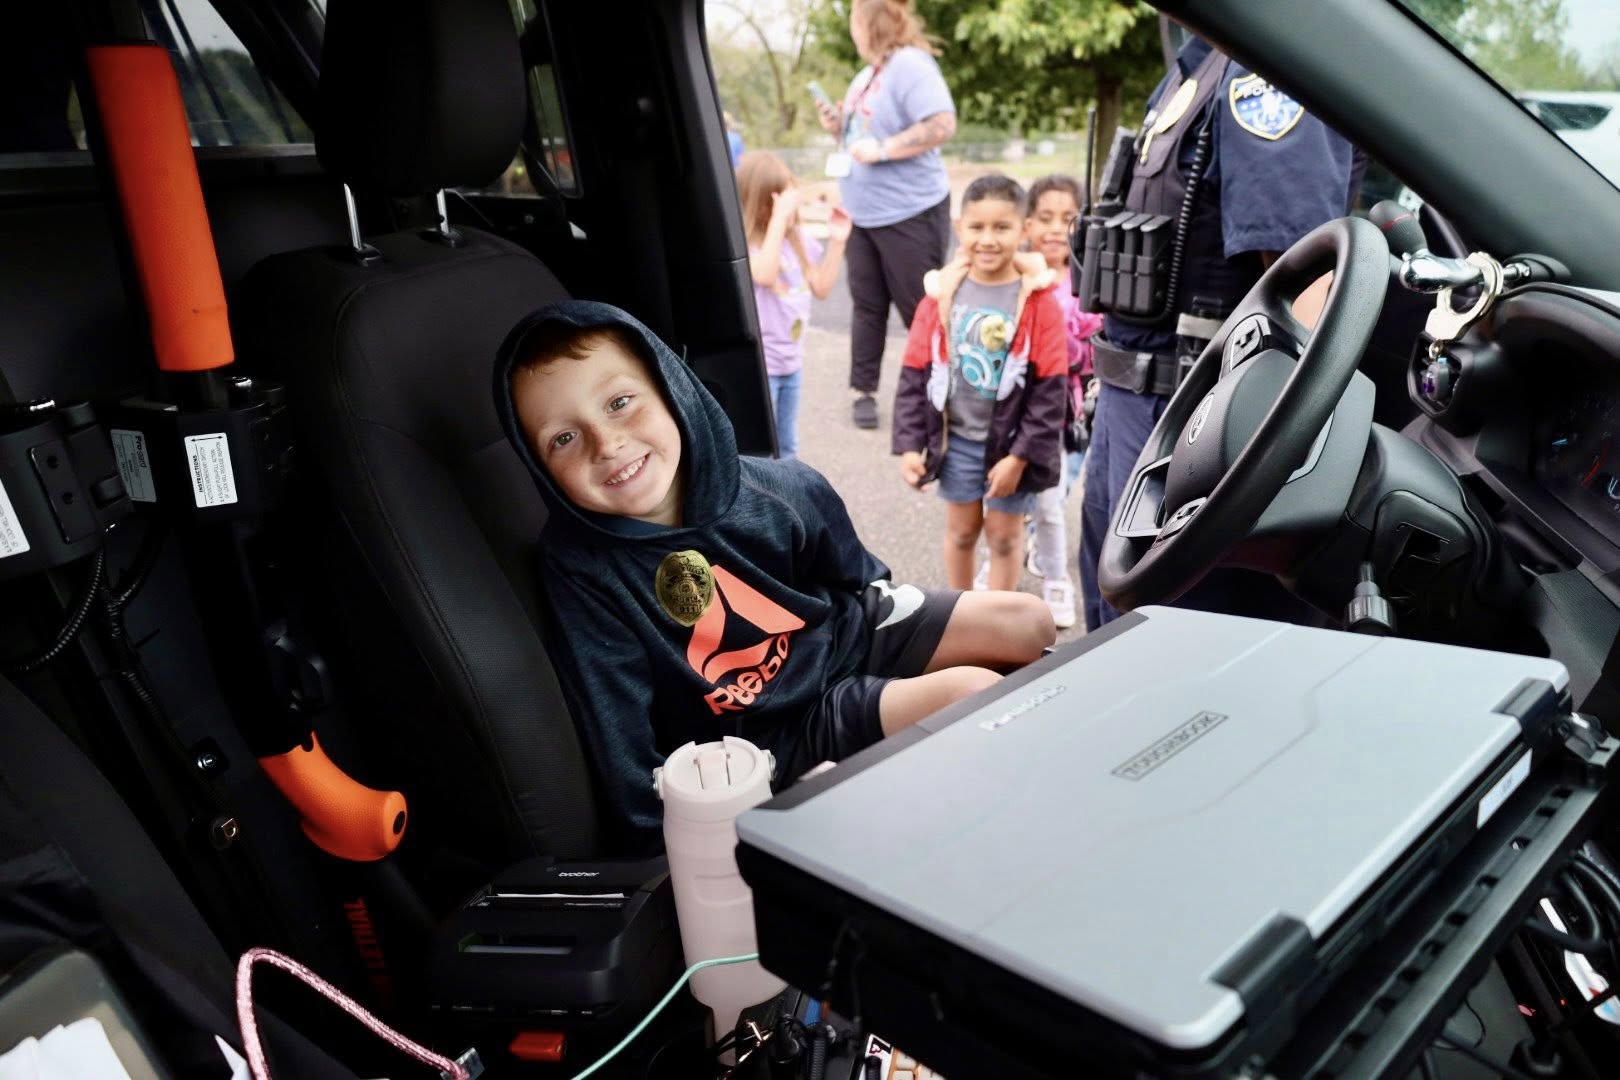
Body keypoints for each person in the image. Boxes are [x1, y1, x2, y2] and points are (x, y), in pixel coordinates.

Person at [495, 301, 1055, 837]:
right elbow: (616, 725)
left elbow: (855, 576)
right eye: (563, 438)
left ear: (670, 389)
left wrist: (890, 649)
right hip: (768, 729)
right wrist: (663, 844)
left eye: (620, 403)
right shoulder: (584, 571)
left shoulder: (774, 489)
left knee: (1028, 621)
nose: (607, 442)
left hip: (842, 635)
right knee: (974, 693)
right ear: (539, 468)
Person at [1077, 33, 1354, 629]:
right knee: (1116, 631)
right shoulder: (1193, 67)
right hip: (1131, 407)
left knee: (1175, 644)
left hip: (1195, 424)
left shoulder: (1267, 73)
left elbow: (1303, 277)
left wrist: (1280, 454)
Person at [892, 175, 1069, 593]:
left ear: (1024, 230)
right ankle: (962, 615)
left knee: (1005, 537)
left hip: (1011, 447)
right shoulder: (940, 297)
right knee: (962, 532)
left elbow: (1050, 391)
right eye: (977, 227)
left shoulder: (1039, 301)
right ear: (959, 229)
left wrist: (1021, 457)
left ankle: (999, 623)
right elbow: (915, 374)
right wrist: (908, 445)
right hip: (957, 444)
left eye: (1001, 228)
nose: (988, 239)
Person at [815, 0, 956, 430]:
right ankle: (864, 391)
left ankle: (940, 394)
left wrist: (882, 150)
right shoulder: (867, 75)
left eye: (855, 22)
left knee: (920, 308)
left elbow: (942, 124)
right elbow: (864, 134)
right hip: (865, 214)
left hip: (908, 212)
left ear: (869, 22)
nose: (853, 32)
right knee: (867, 306)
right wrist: (838, 126)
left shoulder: (911, 65)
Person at [1021, 174, 1103, 629]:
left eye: (1068, 219)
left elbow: (1090, 340)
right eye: (1046, 218)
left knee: (1058, 488)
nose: (1056, 228)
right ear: (1028, 224)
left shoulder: (1084, 282)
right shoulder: (1018, 278)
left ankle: (1050, 570)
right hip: (1019, 408)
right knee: (1015, 495)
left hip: (1068, 410)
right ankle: (1008, 551)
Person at [737, 151, 852, 460]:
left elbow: (822, 287)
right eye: (779, 199)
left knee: (788, 447)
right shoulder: (749, 245)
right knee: (762, 451)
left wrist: (838, 240)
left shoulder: (797, 239)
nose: (790, 205)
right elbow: (764, 274)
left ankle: (789, 502)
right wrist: (778, 219)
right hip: (765, 367)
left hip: (792, 364)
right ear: (759, 201)